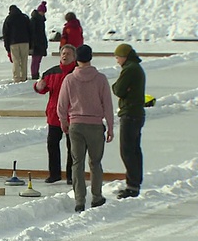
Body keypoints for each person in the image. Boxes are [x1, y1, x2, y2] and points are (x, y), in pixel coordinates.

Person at [57, 45, 114, 213]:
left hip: (76, 125)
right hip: (95, 126)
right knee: (95, 163)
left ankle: (79, 200)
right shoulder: (101, 79)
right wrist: (110, 127)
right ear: (91, 57)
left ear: (76, 59)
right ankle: (96, 197)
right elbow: (108, 105)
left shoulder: (69, 79)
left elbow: (61, 105)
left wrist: (63, 122)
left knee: (77, 163)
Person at [34, 44, 76, 185]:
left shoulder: (78, 72)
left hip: (73, 115)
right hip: (54, 115)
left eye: (68, 54)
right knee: (52, 144)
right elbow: (42, 87)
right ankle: (54, 174)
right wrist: (38, 86)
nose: (65, 56)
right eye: (63, 53)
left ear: (74, 57)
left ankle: (71, 175)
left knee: (73, 147)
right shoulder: (51, 72)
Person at [112, 43, 146, 199]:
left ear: (124, 56)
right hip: (137, 113)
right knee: (134, 149)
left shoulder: (129, 69)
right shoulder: (136, 68)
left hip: (129, 113)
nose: (117, 61)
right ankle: (135, 182)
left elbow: (118, 90)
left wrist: (117, 86)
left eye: (118, 57)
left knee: (127, 150)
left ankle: (132, 186)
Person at [2, 5, 32, 83]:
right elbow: (30, 31)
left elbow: (5, 34)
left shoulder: (9, 19)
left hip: (13, 43)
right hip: (25, 42)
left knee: (16, 61)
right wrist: (31, 43)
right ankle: (24, 77)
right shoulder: (24, 17)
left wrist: (7, 47)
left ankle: (17, 78)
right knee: (24, 60)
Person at [29, 1, 48, 80]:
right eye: (42, 12)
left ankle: (36, 73)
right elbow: (32, 32)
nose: (43, 13)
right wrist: (33, 43)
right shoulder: (34, 20)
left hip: (40, 43)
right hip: (36, 43)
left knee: (38, 60)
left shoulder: (41, 20)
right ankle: (34, 74)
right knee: (35, 60)